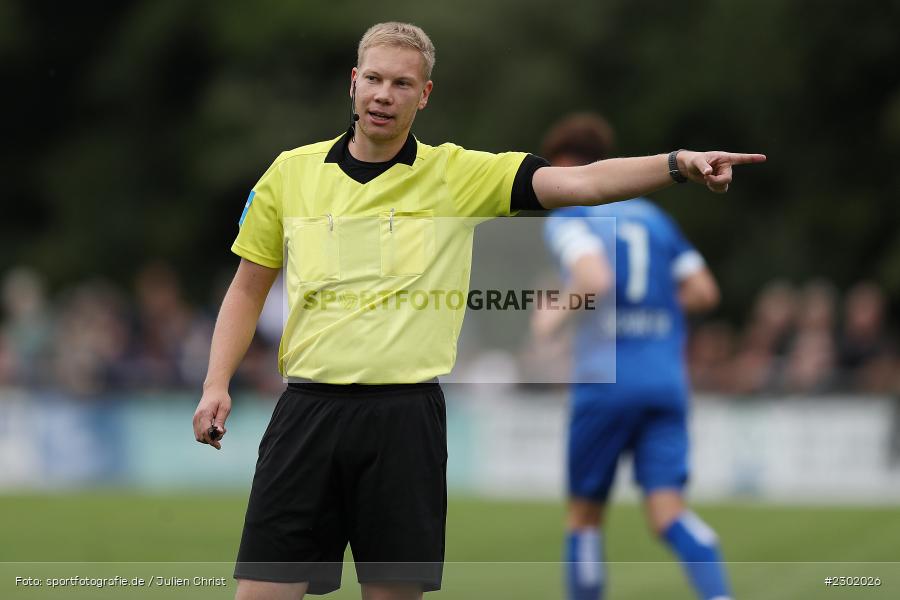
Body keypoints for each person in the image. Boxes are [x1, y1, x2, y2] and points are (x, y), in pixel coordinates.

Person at [191, 23, 764, 600]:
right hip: (306, 414)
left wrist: (677, 164)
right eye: (374, 79)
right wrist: (217, 381)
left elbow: (582, 182)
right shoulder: (290, 173)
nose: (384, 94)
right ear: (353, 82)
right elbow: (247, 288)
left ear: (425, 94)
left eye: (401, 83)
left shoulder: (457, 174)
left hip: (404, 420)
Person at [536, 113, 733, 600]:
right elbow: (705, 292)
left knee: (584, 517)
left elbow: (593, 278)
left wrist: (552, 318)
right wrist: (656, 309)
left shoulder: (572, 214)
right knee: (668, 512)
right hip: (666, 378)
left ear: (564, 165)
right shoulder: (654, 218)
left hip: (607, 380)